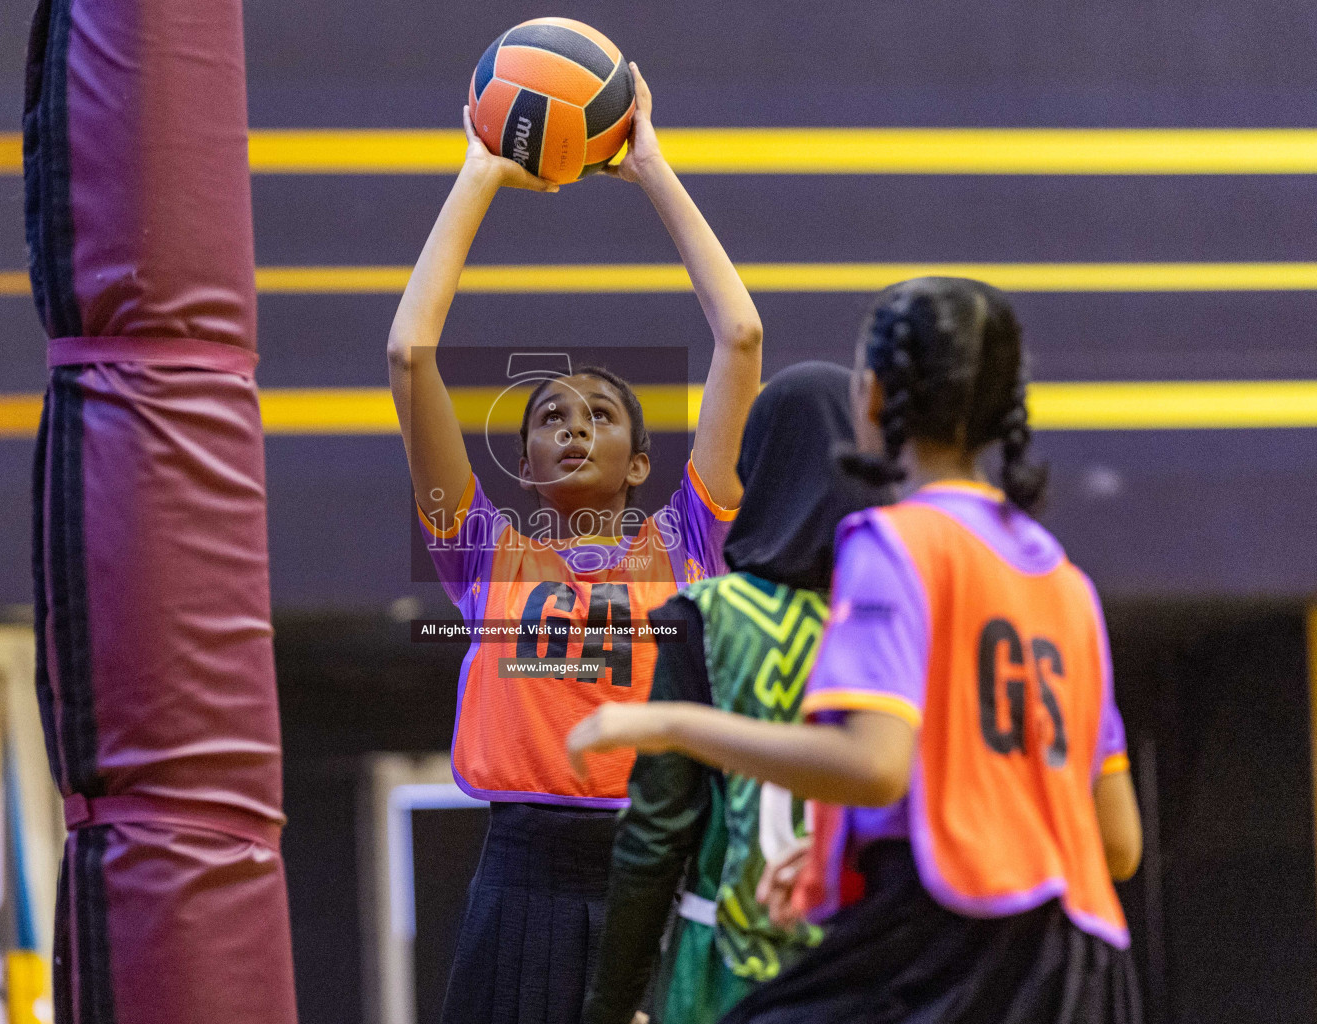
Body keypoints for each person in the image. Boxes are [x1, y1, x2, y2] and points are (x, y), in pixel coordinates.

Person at [569, 277, 1144, 1024]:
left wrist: (669, 726)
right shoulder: (1063, 580)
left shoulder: (891, 545)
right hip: (1085, 970)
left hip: (954, 952)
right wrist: (829, 859)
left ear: (871, 401)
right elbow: (1119, 841)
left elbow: (873, 768)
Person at [387, 64, 762, 1024]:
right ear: (525, 462)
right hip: (520, 882)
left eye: (602, 413)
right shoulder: (484, 553)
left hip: (659, 870)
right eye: (551, 414)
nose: (575, 424)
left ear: (643, 463)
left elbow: (742, 335)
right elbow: (408, 355)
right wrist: (477, 174)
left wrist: (653, 169)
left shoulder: (687, 542)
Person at [581, 362, 891, 1024]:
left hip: (724, 974)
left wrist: (609, 1006)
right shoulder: (902, 613)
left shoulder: (706, 616)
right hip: (879, 967)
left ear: (760, 468)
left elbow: (655, 836)